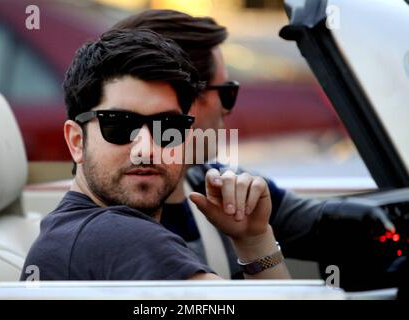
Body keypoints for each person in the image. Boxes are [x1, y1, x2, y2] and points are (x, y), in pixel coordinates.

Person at [112, 9, 396, 279]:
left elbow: (325, 226)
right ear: (184, 100)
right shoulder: (116, 222)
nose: (228, 109)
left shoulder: (215, 184)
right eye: (226, 92)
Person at [21, 28, 290, 280]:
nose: (146, 149)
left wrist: (254, 240)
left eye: (168, 128)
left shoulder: (73, 234)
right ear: (77, 141)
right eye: (119, 125)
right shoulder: (116, 237)